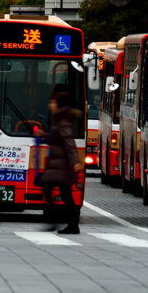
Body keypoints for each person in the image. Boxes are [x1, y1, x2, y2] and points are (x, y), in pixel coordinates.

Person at [41, 91, 83, 234]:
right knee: (64, 194)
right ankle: (71, 224)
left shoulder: (63, 121)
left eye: (52, 102)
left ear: (59, 104)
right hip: (59, 165)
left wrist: (75, 161)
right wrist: (44, 136)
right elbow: (55, 139)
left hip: (62, 165)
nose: (49, 105)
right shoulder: (59, 119)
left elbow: (69, 141)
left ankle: (60, 221)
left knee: (56, 190)